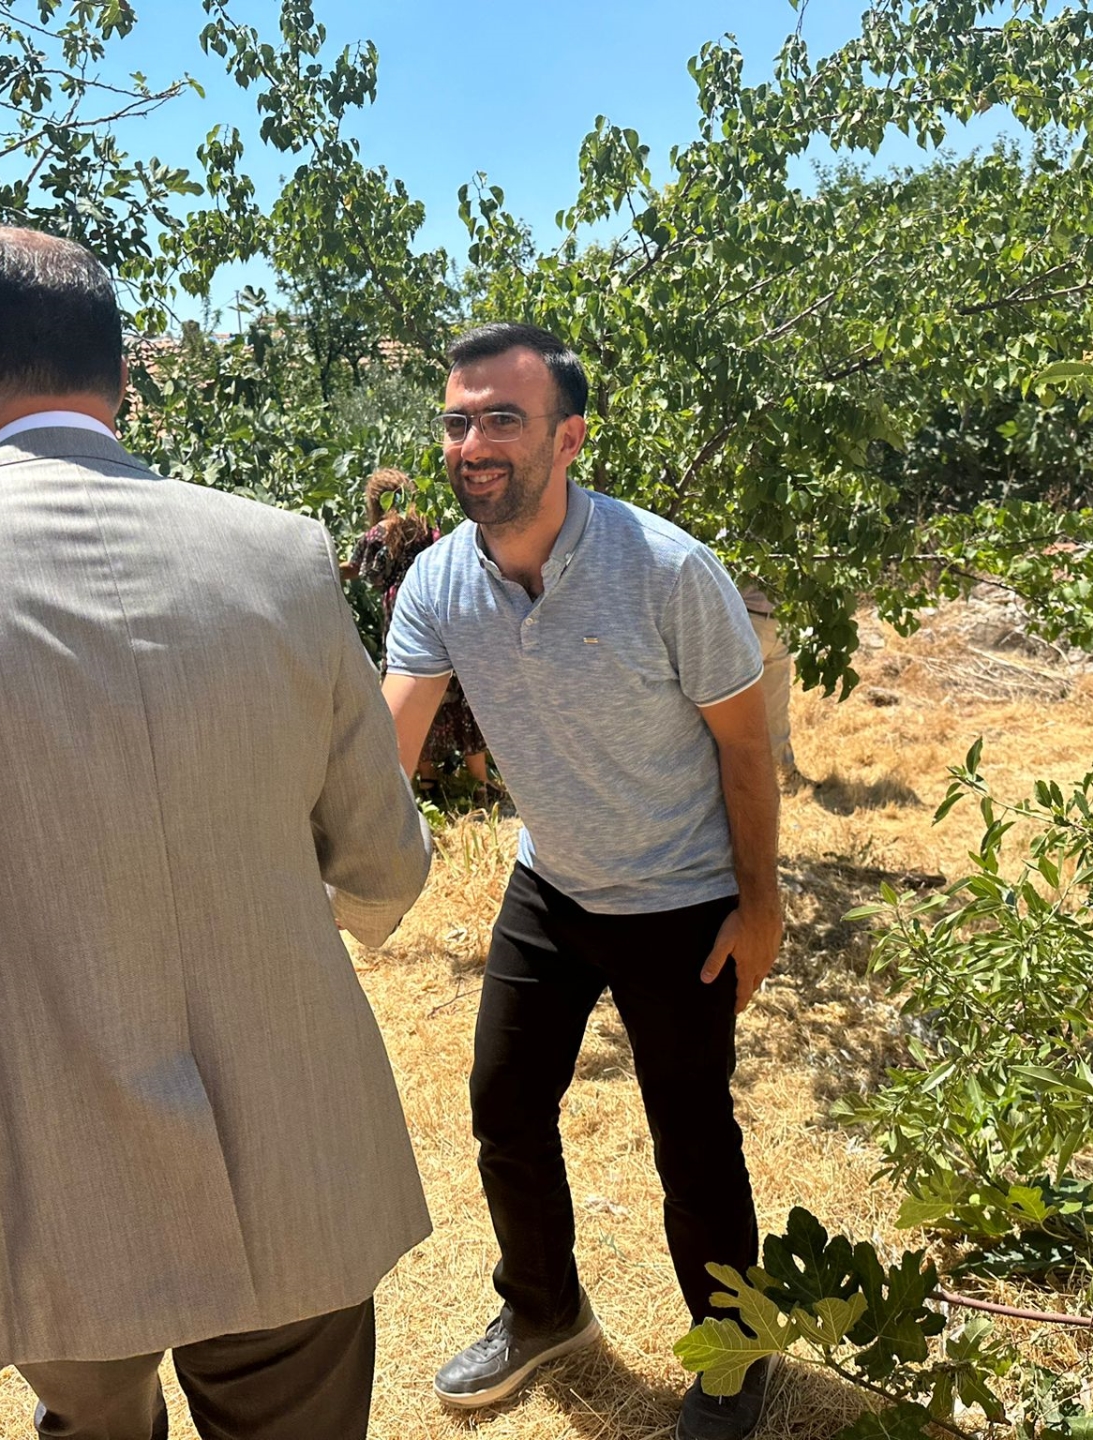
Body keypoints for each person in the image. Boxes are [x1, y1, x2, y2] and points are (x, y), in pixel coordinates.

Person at [0, 225, 433, 1440]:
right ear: (120, 376)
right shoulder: (281, 555)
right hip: (301, 1156)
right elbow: (383, 861)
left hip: (36, 1196)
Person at [383, 324, 784, 1440]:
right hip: (553, 883)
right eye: (457, 421)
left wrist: (760, 905)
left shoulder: (666, 571)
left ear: (569, 439)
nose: (472, 444)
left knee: (691, 1138)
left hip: (680, 896)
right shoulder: (439, 582)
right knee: (504, 1106)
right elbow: (385, 755)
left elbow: (746, 748)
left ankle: (734, 1350)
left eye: (502, 420)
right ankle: (544, 1311)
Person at [347, 468, 492, 797]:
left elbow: (364, 571)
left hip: (403, 608)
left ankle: (428, 782)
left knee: (411, 683)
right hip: (435, 602)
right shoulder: (427, 524)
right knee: (455, 689)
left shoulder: (379, 532)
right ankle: (481, 783)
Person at [739, 584, 800, 784]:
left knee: (777, 707)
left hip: (782, 622)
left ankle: (785, 774)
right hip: (747, 619)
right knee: (733, 705)